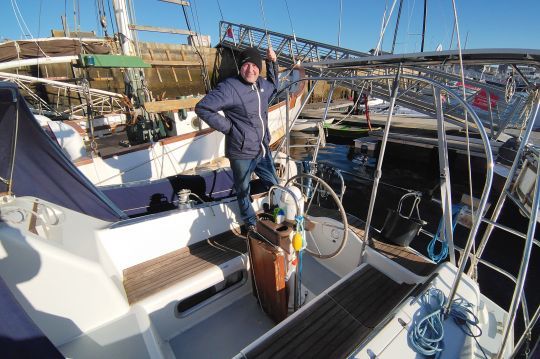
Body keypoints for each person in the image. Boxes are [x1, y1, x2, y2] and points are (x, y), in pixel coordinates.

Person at [195, 47, 279, 233]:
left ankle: (276, 212)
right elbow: (203, 108)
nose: (250, 69)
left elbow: (275, 86)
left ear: (259, 67)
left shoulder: (262, 85)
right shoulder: (229, 87)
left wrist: (272, 62)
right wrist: (230, 129)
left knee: (275, 185)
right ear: (240, 66)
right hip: (241, 152)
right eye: (246, 65)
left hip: (262, 149)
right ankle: (250, 222)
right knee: (243, 190)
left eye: (255, 65)